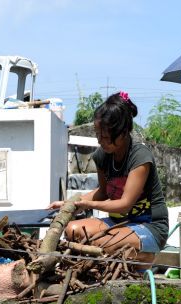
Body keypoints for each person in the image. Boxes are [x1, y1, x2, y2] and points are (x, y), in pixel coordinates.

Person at [49, 92, 168, 263]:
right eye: (98, 135)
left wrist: (87, 204)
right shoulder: (102, 156)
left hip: (149, 226)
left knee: (98, 243)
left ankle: (145, 256)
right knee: (73, 231)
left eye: (105, 137)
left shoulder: (140, 157)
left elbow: (124, 205)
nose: (100, 141)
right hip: (118, 223)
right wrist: (71, 205)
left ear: (123, 132)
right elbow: (103, 192)